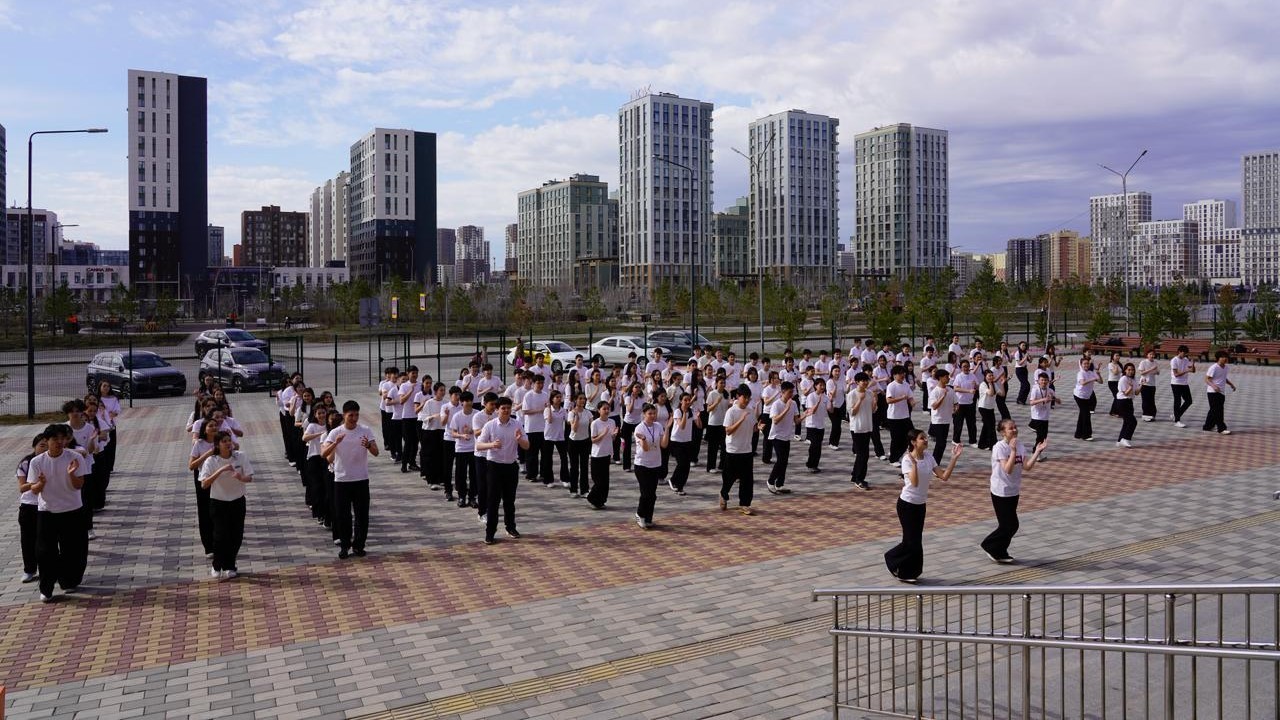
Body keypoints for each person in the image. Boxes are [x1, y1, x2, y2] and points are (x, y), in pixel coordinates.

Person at [884, 430, 962, 583]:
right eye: (922, 438)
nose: (926, 440)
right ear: (913, 442)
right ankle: (892, 559)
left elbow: (944, 476)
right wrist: (914, 464)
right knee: (911, 541)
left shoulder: (928, 457)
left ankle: (911, 572)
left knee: (915, 540)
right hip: (906, 505)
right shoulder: (907, 460)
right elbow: (914, 483)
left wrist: (954, 458)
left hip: (920, 505)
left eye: (925, 438)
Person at [29, 424, 88, 602]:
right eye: (55, 439)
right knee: (45, 552)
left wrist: (71, 474)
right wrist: (41, 484)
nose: (60, 442)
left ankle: (68, 581)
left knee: (73, 550)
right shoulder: (37, 461)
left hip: (72, 510)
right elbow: (34, 489)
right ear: (46, 441)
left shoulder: (74, 457)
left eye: (63, 439)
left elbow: (79, 485)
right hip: (47, 512)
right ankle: (46, 588)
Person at [981, 420, 1046, 564]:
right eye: (1011, 428)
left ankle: (999, 550)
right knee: (1009, 525)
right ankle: (990, 546)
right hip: (1000, 491)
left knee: (1009, 525)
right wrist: (1013, 451)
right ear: (1003, 432)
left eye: (1015, 427)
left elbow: (1027, 466)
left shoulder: (1020, 445)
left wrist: (1037, 451)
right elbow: (1008, 470)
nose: (1015, 430)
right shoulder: (999, 447)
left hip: (1013, 490)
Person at [322, 401, 380, 559]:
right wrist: (335, 443)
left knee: (362, 515)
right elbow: (323, 454)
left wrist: (368, 445)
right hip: (341, 480)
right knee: (343, 515)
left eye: (356, 415)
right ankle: (345, 545)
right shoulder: (335, 432)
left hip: (361, 479)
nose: (354, 418)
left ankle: (359, 545)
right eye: (350, 415)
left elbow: (376, 452)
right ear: (344, 415)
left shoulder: (365, 430)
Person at [198, 431, 254, 579]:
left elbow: (250, 477)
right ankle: (217, 565)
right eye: (224, 441)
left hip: (237, 501)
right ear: (217, 444)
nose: (228, 443)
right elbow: (204, 484)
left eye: (229, 440)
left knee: (236, 535)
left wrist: (241, 477)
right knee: (220, 535)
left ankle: (230, 565)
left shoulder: (240, 456)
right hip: (218, 502)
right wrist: (221, 470)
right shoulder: (211, 461)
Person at [476, 397, 530, 544]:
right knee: (493, 501)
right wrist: (492, 444)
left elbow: (527, 446)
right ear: (497, 409)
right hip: (494, 466)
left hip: (511, 466)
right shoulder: (490, 425)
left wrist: (520, 440)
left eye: (508, 408)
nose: (506, 411)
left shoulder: (517, 424)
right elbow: (478, 446)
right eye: (503, 408)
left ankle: (511, 527)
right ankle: (490, 532)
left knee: (509, 500)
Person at [721, 385, 761, 515]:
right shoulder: (731, 412)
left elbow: (753, 427)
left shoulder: (750, 411)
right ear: (738, 396)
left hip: (746, 450)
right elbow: (728, 431)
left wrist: (759, 427)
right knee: (729, 477)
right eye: (745, 397)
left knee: (747, 479)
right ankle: (723, 494)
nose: (747, 400)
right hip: (733, 450)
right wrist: (741, 419)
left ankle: (745, 503)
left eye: (749, 398)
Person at [188, 416, 223, 557]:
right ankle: (208, 546)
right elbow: (191, 466)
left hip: (220, 481)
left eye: (215, 425)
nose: (213, 428)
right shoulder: (199, 444)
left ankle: (219, 542)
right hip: (204, 480)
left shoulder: (221, 441)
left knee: (219, 513)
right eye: (210, 426)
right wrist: (208, 454)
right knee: (205, 513)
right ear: (204, 429)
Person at [16, 432, 48, 584]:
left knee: (45, 540)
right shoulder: (26, 463)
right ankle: (29, 569)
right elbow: (22, 487)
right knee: (28, 540)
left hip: (47, 505)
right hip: (29, 506)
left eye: (47, 446)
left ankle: (47, 570)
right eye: (41, 445)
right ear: (34, 446)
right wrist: (36, 482)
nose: (44, 449)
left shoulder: (51, 460)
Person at [632, 403, 667, 529]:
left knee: (652, 494)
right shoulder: (639, 428)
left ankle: (648, 518)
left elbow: (663, 445)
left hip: (655, 463)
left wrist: (667, 429)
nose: (652, 416)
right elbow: (645, 449)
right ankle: (640, 514)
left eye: (654, 413)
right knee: (646, 493)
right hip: (642, 465)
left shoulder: (658, 426)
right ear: (644, 414)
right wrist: (644, 439)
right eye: (649, 414)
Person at [302, 406, 331, 526]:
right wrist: (319, 434)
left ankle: (327, 513)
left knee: (326, 487)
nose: (322, 415)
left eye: (323, 413)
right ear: (315, 414)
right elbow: (304, 438)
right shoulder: (312, 426)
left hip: (326, 458)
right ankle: (319, 513)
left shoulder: (330, 426)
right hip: (314, 458)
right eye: (319, 413)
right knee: (317, 487)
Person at [766, 382, 797, 494]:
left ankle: (780, 484)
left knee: (785, 462)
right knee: (781, 460)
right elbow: (775, 420)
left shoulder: (793, 403)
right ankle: (770, 481)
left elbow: (796, 420)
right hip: (776, 436)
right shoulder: (776, 404)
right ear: (783, 392)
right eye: (789, 392)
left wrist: (806, 415)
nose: (791, 394)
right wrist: (786, 409)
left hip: (786, 436)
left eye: (792, 392)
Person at [449, 392, 479, 508]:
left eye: (470, 400)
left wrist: (473, 432)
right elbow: (453, 432)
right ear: (462, 402)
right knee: (460, 474)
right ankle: (462, 496)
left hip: (474, 448)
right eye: (466, 401)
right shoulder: (457, 416)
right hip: (461, 449)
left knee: (474, 474)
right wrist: (462, 436)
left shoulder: (477, 414)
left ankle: (472, 497)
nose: (468, 403)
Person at [587, 401, 618, 509]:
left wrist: (614, 435)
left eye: (608, 409)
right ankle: (592, 498)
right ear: (599, 410)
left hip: (607, 453)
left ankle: (601, 501)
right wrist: (603, 434)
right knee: (598, 480)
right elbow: (593, 440)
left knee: (605, 481)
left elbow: (612, 438)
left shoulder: (612, 422)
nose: (606, 411)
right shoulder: (595, 423)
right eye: (604, 409)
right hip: (597, 454)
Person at [847, 372, 874, 490]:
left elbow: (873, 410)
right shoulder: (852, 394)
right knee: (862, 455)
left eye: (866, 380)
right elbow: (852, 412)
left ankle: (855, 475)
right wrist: (859, 400)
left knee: (864, 454)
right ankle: (859, 479)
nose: (865, 382)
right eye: (863, 380)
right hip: (857, 428)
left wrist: (875, 404)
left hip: (867, 426)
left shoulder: (870, 393)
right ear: (857, 382)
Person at [884, 365, 915, 463]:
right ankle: (893, 459)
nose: (902, 375)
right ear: (894, 375)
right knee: (896, 438)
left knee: (910, 436)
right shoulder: (891, 386)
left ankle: (898, 454)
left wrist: (912, 402)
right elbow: (888, 400)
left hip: (905, 416)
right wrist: (901, 398)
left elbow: (910, 397)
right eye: (900, 373)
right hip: (894, 417)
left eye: (903, 373)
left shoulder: (906, 384)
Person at [927, 369, 957, 465]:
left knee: (942, 444)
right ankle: (934, 464)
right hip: (938, 420)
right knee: (940, 443)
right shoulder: (935, 391)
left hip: (947, 420)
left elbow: (956, 403)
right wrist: (942, 396)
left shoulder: (951, 390)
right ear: (940, 378)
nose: (948, 378)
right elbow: (934, 406)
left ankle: (934, 463)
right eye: (946, 377)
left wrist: (955, 408)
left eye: (948, 377)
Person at [1203, 350, 1236, 434]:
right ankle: (1221, 428)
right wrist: (1214, 386)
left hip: (1221, 392)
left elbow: (1224, 378)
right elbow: (1206, 379)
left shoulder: (1226, 367)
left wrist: (1231, 384)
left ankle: (1207, 426)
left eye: (1226, 357)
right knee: (1218, 411)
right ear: (1218, 358)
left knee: (1213, 410)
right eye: (1223, 357)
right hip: (1212, 392)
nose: (1225, 359)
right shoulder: (1214, 367)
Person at [541, 389, 569, 488]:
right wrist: (548, 408)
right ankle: (548, 480)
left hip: (560, 436)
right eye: (556, 397)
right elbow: (549, 420)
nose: (558, 399)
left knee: (564, 458)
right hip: (549, 437)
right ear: (552, 399)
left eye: (560, 397)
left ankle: (565, 478)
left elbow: (568, 421)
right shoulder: (547, 410)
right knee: (548, 459)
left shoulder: (563, 410)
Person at [668, 392, 695, 496]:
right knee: (682, 463)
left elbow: (699, 425)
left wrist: (698, 418)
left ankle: (680, 485)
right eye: (685, 400)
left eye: (689, 400)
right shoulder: (678, 412)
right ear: (681, 401)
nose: (687, 402)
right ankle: (676, 483)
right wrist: (684, 413)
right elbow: (681, 426)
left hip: (687, 441)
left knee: (686, 466)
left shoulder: (691, 411)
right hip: (676, 441)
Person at [567, 393, 593, 499]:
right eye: (580, 399)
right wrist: (577, 416)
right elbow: (574, 429)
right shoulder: (571, 413)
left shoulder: (588, 413)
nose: (582, 401)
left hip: (585, 441)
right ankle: (573, 489)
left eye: (584, 399)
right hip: (573, 442)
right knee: (574, 467)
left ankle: (584, 490)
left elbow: (593, 426)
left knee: (584, 466)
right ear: (575, 400)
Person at [951, 360, 979, 447]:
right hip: (960, 403)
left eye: (967, 366)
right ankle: (955, 440)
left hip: (970, 403)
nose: (966, 368)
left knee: (971, 423)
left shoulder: (972, 375)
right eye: (964, 366)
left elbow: (977, 387)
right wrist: (968, 391)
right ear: (961, 368)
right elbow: (955, 388)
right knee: (958, 423)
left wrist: (975, 386)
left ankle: (972, 441)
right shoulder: (959, 376)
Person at [704, 376, 728, 473]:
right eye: (721, 382)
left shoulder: (726, 394)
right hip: (713, 423)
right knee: (713, 447)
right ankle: (711, 467)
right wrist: (716, 402)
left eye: (724, 382)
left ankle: (722, 465)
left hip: (724, 423)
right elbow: (708, 409)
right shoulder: (712, 394)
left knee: (724, 446)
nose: (722, 384)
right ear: (716, 383)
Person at [1073, 357, 1099, 441]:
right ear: (1081, 365)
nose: (1086, 365)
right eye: (1084, 364)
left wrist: (1099, 375)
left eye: (1088, 363)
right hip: (1079, 396)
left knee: (1083, 414)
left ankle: (1078, 434)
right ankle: (1086, 435)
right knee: (1086, 414)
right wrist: (1093, 379)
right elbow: (1082, 383)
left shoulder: (1091, 372)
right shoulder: (1080, 373)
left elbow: (1101, 381)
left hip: (1087, 396)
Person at [1169, 345, 1196, 428]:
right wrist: (1187, 370)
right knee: (1177, 401)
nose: (1185, 355)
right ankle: (1177, 421)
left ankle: (1176, 414)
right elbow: (1176, 374)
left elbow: (1193, 371)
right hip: (1176, 383)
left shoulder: (1185, 359)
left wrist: (1193, 364)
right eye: (1184, 353)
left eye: (1186, 353)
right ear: (1179, 352)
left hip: (1184, 383)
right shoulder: (1174, 360)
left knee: (1189, 401)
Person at [1027, 372, 1055, 450]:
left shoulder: (1050, 390)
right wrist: (1043, 399)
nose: (1044, 382)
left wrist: (1056, 400)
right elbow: (1031, 402)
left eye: (1045, 380)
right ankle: (1036, 452)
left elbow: (1054, 398)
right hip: (1037, 416)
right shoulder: (1035, 390)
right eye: (1042, 380)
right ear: (1038, 381)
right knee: (1040, 437)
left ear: (1048, 381)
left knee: (1044, 436)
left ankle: (1038, 452)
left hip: (1045, 417)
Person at [1115, 362, 1138, 448]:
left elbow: (1136, 393)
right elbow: (1125, 393)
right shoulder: (1123, 379)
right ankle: (1125, 439)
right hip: (1122, 402)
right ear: (1125, 370)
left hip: (1129, 402)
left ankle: (1119, 440)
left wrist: (1142, 385)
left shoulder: (1133, 379)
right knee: (1133, 422)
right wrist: (1130, 388)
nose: (1131, 371)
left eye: (1132, 370)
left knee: (1126, 422)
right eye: (1129, 370)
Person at [977, 369, 999, 450]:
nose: (991, 377)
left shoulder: (994, 384)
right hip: (983, 407)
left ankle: (982, 444)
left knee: (987, 425)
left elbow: (1002, 393)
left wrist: (1003, 382)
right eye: (989, 376)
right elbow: (990, 393)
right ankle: (993, 445)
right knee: (990, 426)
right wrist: (990, 383)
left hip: (991, 407)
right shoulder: (983, 384)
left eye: (992, 375)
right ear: (985, 377)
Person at [1137, 349, 1160, 422]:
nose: (1152, 356)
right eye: (1150, 354)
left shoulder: (1155, 362)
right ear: (1147, 355)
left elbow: (1157, 372)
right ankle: (1145, 415)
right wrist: (1151, 369)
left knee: (1151, 400)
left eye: (1153, 354)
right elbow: (1142, 373)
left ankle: (1152, 415)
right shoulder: (1143, 362)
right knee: (1145, 400)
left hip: (1152, 384)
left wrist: (1155, 371)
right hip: (1144, 383)